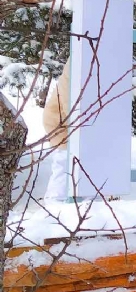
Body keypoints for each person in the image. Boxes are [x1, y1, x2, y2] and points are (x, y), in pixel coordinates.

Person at [42, 60, 71, 202]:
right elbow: (67, 98)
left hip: (66, 119)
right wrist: (76, 124)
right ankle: (54, 202)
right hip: (59, 119)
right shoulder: (77, 59)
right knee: (63, 161)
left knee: (68, 162)